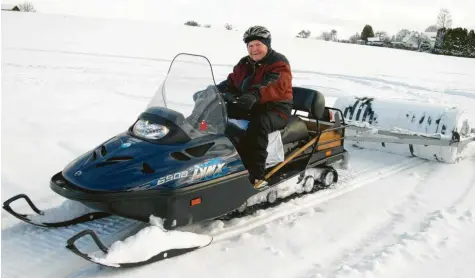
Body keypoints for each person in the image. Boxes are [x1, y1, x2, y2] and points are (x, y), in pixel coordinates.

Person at [217, 25, 293, 186]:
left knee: (259, 124)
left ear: (267, 44)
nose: (254, 49)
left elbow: (273, 84)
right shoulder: (245, 63)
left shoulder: (278, 63)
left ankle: (256, 174)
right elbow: (231, 82)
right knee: (217, 112)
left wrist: (255, 95)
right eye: (250, 46)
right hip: (250, 104)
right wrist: (213, 91)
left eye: (258, 44)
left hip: (276, 108)